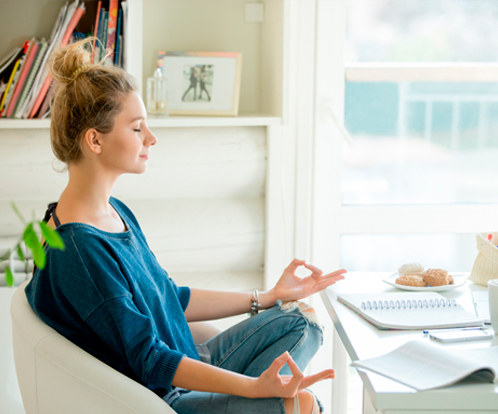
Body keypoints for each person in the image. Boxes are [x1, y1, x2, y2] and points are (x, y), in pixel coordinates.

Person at [25, 38, 346, 414]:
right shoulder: (80, 250)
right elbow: (150, 359)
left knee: (301, 322)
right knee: (303, 404)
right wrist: (254, 388)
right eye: (137, 128)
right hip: (164, 398)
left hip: (189, 358)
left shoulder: (112, 211)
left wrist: (268, 296)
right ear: (95, 140)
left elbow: (170, 298)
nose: (151, 139)